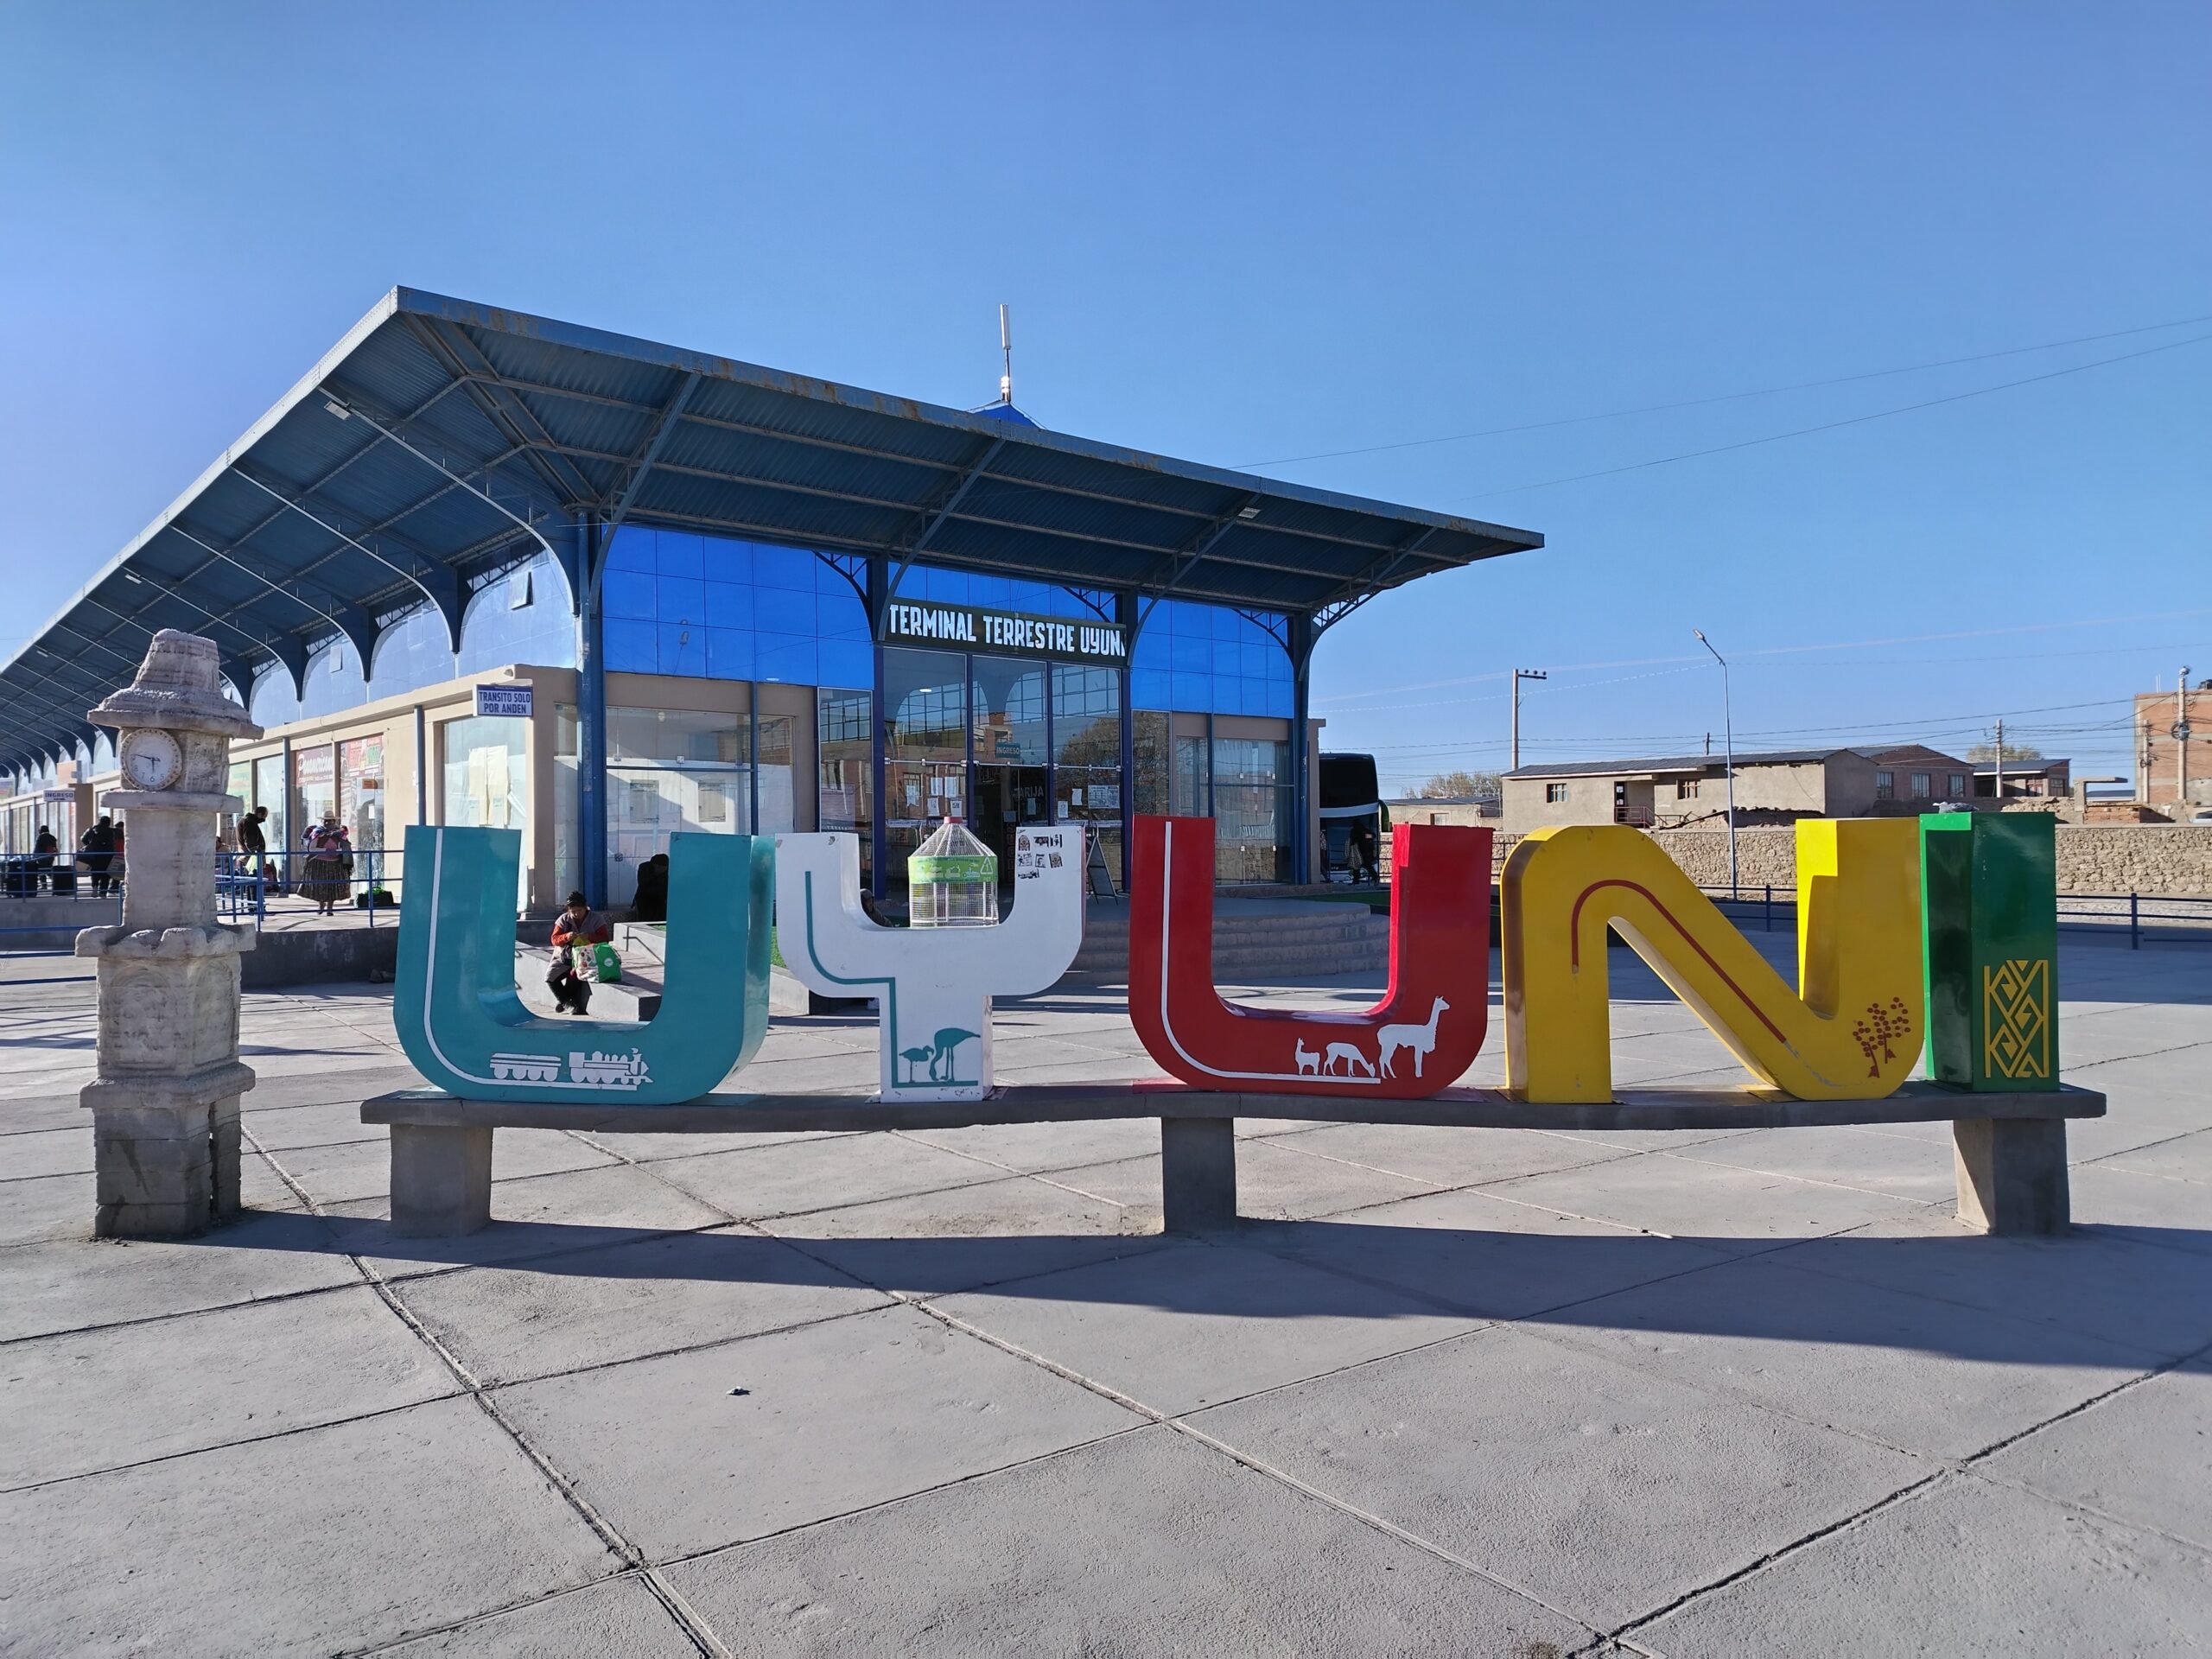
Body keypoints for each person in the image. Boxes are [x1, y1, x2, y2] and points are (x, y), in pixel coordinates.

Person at [547, 891, 611, 1014]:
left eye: (579, 911)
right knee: (550, 977)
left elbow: (605, 939)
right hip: (564, 956)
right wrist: (566, 937)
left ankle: (566, 1003)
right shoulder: (563, 920)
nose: (577, 914)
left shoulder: (596, 919)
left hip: (588, 958)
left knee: (576, 974)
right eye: (573, 911)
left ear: (585, 908)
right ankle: (566, 1002)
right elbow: (554, 939)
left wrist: (590, 936)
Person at [299, 813, 353, 915]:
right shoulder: (318, 833)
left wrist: (339, 851)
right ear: (323, 822)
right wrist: (326, 850)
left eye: (331, 821)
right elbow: (312, 848)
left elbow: (345, 846)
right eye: (327, 821)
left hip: (335, 863)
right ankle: (321, 904)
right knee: (321, 885)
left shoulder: (340, 834)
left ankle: (330, 908)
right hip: (320, 862)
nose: (329, 823)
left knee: (333, 886)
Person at [79, 817, 117, 897]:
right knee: (106, 874)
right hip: (106, 855)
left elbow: (83, 838)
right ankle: (103, 892)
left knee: (95, 871)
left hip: (94, 854)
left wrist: (90, 845)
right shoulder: (110, 831)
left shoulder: (92, 829)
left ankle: (95, 886)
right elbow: (112, 844)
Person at [631, 852, 670, 922]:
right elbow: (642, 883)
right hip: (645, 900)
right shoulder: (645, 867)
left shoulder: (668, 871)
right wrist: (656, 874)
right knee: (644, 921)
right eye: (658, 867)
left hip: (660, 900)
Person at [238, 805, 268, 885]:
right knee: (254, 881)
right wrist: (256, 852)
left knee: (250, 881)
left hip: (247, 855)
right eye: (264, 816)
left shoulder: (246, 820)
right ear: (259, 814)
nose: (264, 820)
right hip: (252, 856)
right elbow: (250, 840)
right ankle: (255, 897)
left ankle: (252, 897)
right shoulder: (250, 822)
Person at [31, 824, 57, 893]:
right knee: (49, 870)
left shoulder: (40, 837)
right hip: (50, 857)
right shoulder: (52, 837)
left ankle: (44, 885)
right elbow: (54, 848)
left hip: (42, 857)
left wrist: (34, 857)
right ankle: (56, 881)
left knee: (41, 870)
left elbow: (37, 848)